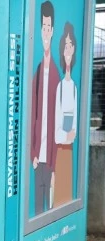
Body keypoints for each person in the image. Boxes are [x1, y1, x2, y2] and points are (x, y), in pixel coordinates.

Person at [31, 1, 59, 214]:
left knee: (48, 201)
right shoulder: (38, 69)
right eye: (43, 27)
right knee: (38, 202)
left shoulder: (56, 73)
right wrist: (32, 150)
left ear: (53, 31)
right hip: (37, 153)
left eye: (49, 28)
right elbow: (32, 113)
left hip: (50, 151)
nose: (46, 32)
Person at [53, 22, 77, 207]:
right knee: (59, 194)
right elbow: (56, 125)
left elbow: (74, 117)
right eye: (65, 47)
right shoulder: (60, 87)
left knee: (66, 196)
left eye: (70, 47)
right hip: (60, 149)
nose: (68, 51)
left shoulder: (74, 87)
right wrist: (65, 135)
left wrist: (72, 133)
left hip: (68, 149)